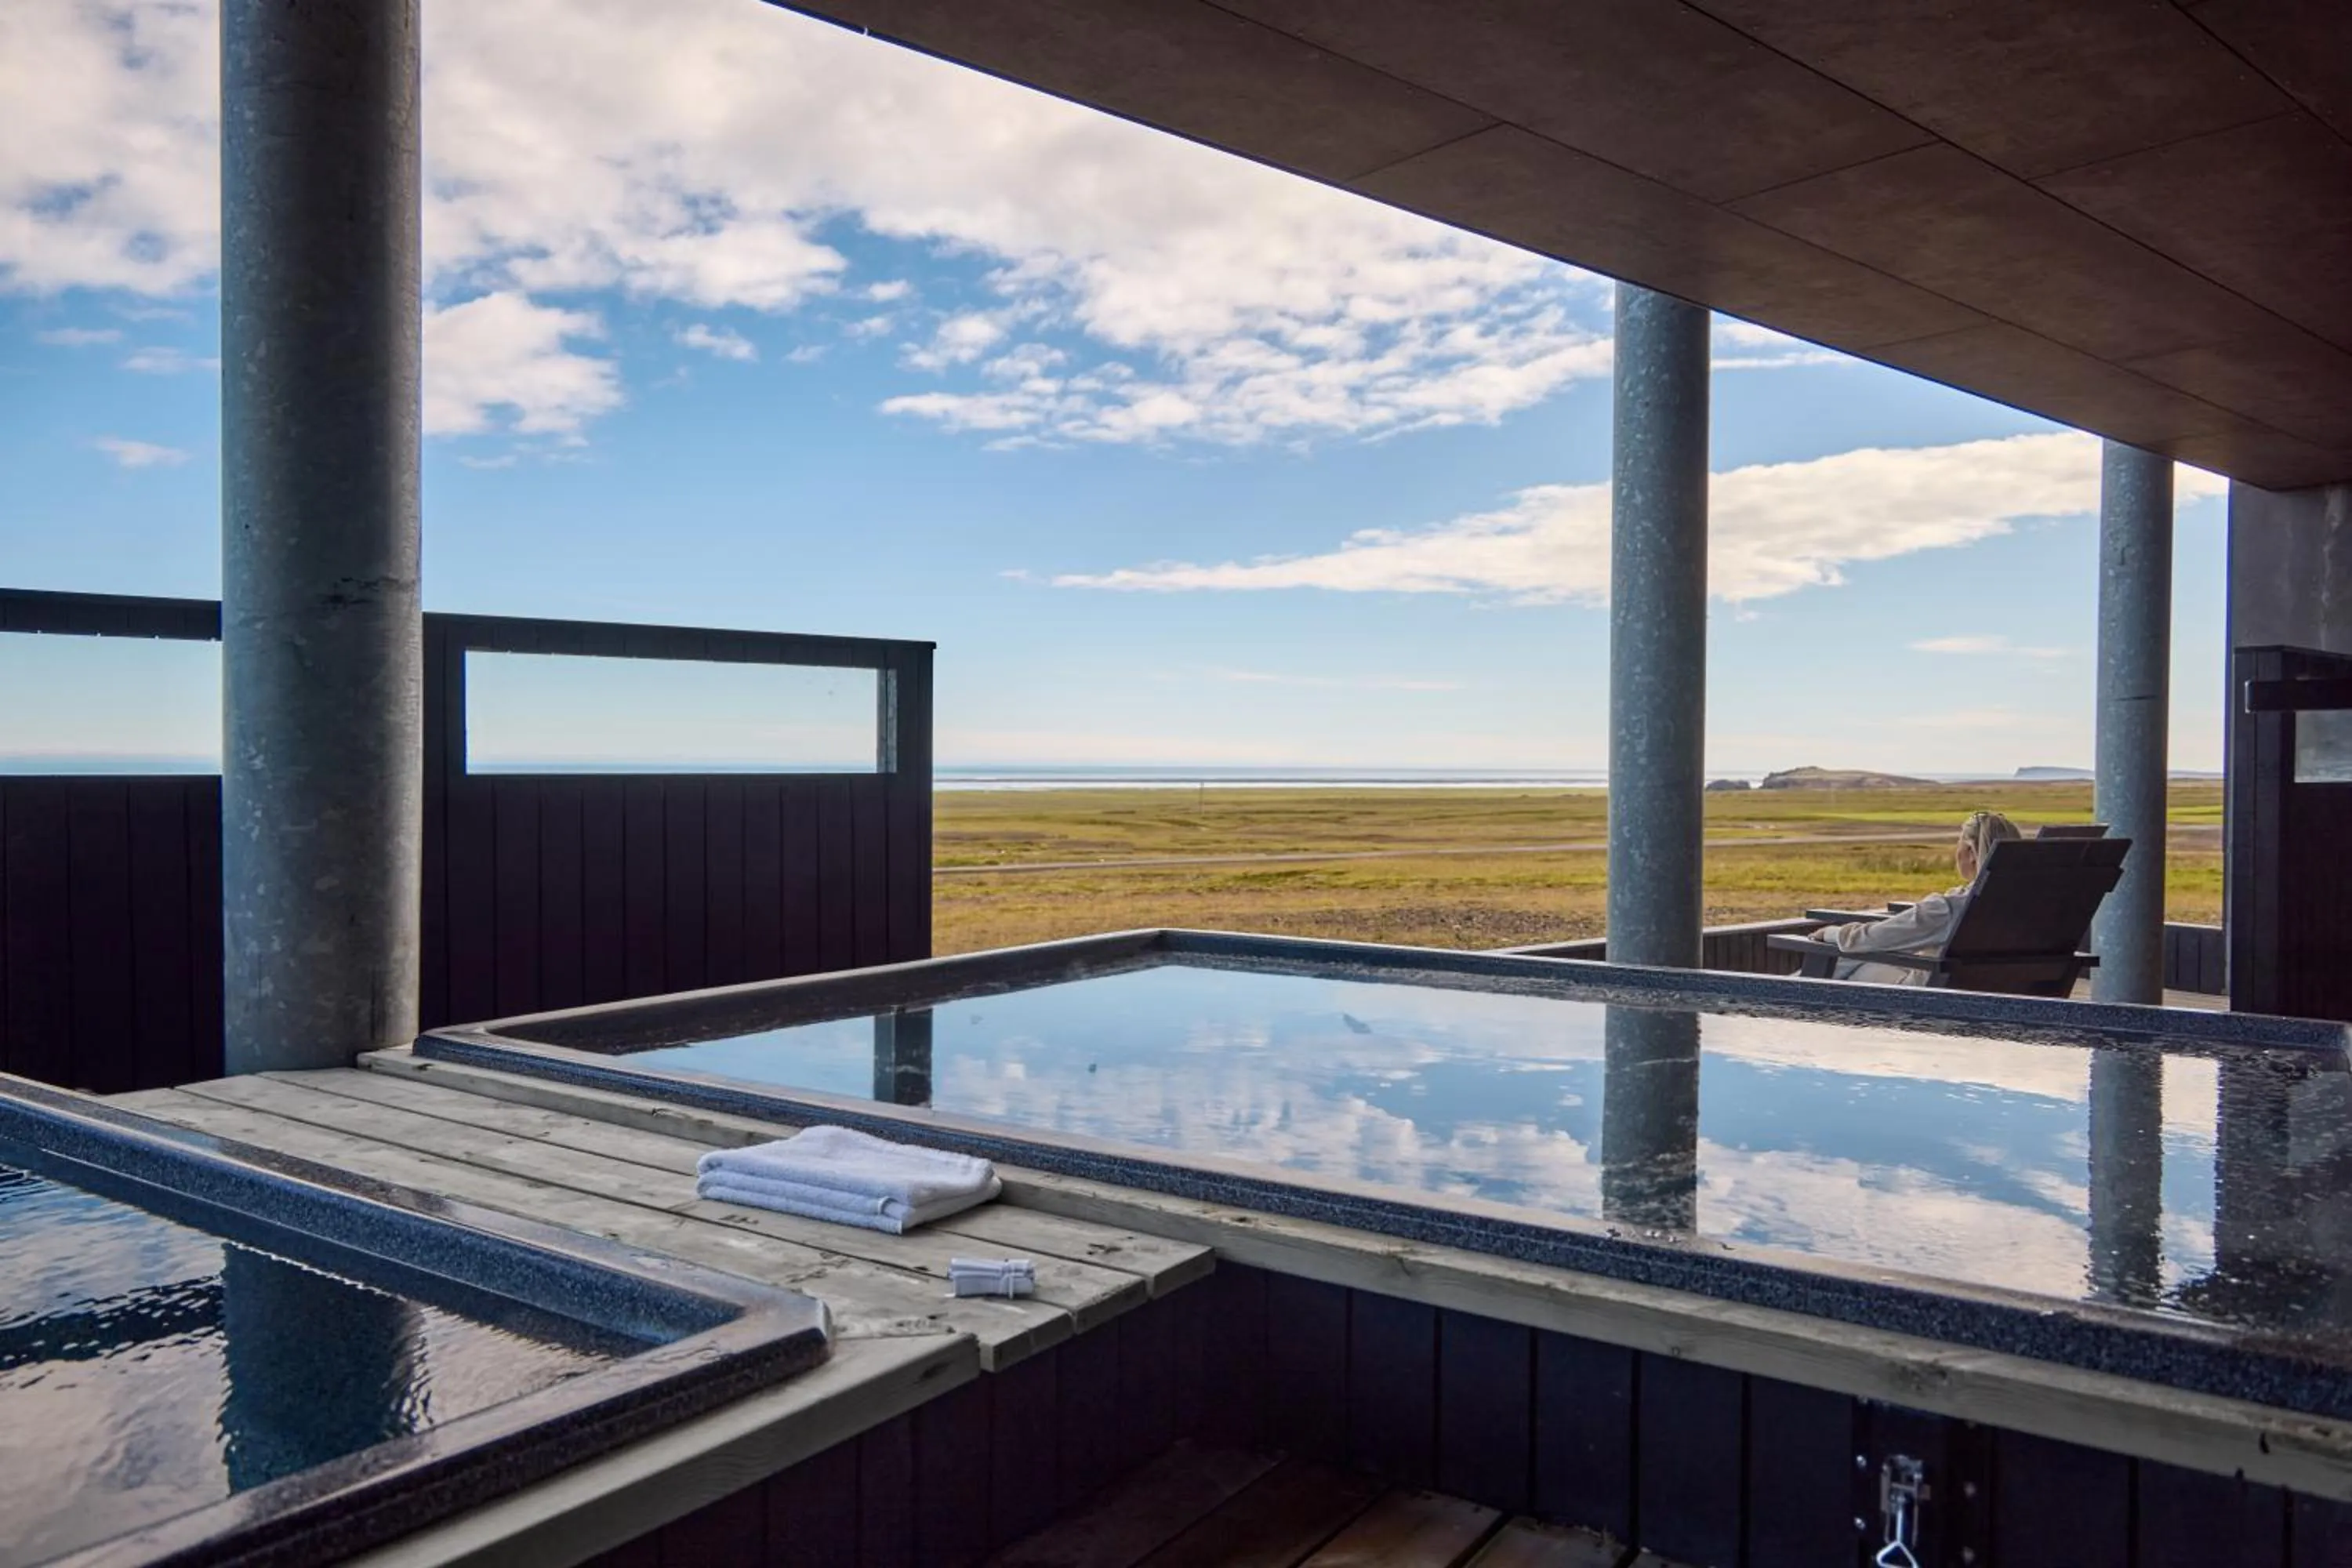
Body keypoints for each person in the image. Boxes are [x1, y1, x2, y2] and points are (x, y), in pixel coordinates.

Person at [1809, 810, 2023, 985]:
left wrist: (1830, 933)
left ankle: (1784, 1001)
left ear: (1970, 853)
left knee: (1850, 960)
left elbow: (1865, 939)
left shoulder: (1948, 908)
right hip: (2000, 998)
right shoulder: (2029, 904)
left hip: (1926, 1001)